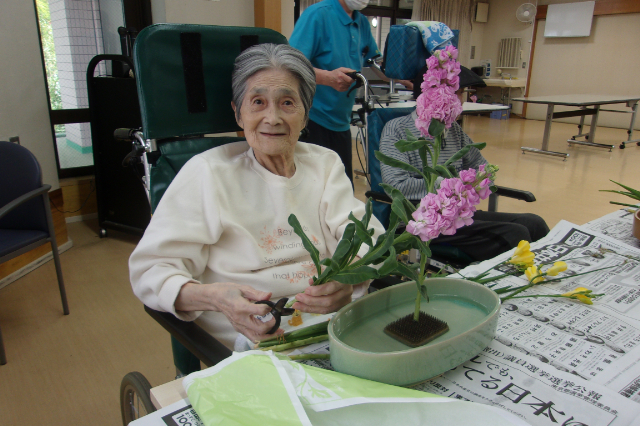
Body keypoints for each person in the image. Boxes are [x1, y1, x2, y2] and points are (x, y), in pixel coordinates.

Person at [129, 44, 385, 350]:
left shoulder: (324, 163)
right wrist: (215, 299)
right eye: (258, 102)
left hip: (335, 325)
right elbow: (151, 270)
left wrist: (350, 276)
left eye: (287, 103)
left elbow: (367, 236)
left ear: (305, 115)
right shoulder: (208, 173)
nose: (272, 118)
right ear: (238, 113)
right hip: (252, 340)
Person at [379, 66, 549, 262]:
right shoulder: (396, 129)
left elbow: (482, 168)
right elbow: (397, 186)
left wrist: (474, 184)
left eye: (461, 93)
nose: (461, 100)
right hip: (421, 221)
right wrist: (450, 187)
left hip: (456, 214)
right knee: (515, 234)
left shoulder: (453, 130)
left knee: (534, 223)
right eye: (457, 93)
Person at [289, 0, 381, 183]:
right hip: (313, 120)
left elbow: (376, 62)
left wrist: (403, 76)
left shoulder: (361, 22)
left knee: (343, 189)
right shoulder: (317, 15)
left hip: (341, 123)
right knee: (314, 188)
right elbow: (290, 65)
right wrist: (328, 78)